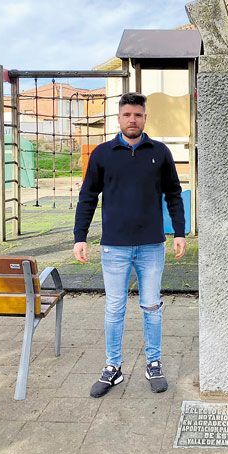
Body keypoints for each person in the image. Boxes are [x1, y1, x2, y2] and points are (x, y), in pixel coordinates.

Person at [73, 92, 186, 397]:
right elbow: (87, 197)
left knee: (152, 307)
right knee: (114, 308)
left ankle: (153, 363)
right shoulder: (102, 154)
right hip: (114, 247)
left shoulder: (159, 153)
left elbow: (174, 194)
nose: (132, 120)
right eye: (127, 115)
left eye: (138, 114)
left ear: (145, 118)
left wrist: (179, 232)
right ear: (119, 118)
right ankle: (113, 367)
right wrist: (80, 237)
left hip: (151, 245)